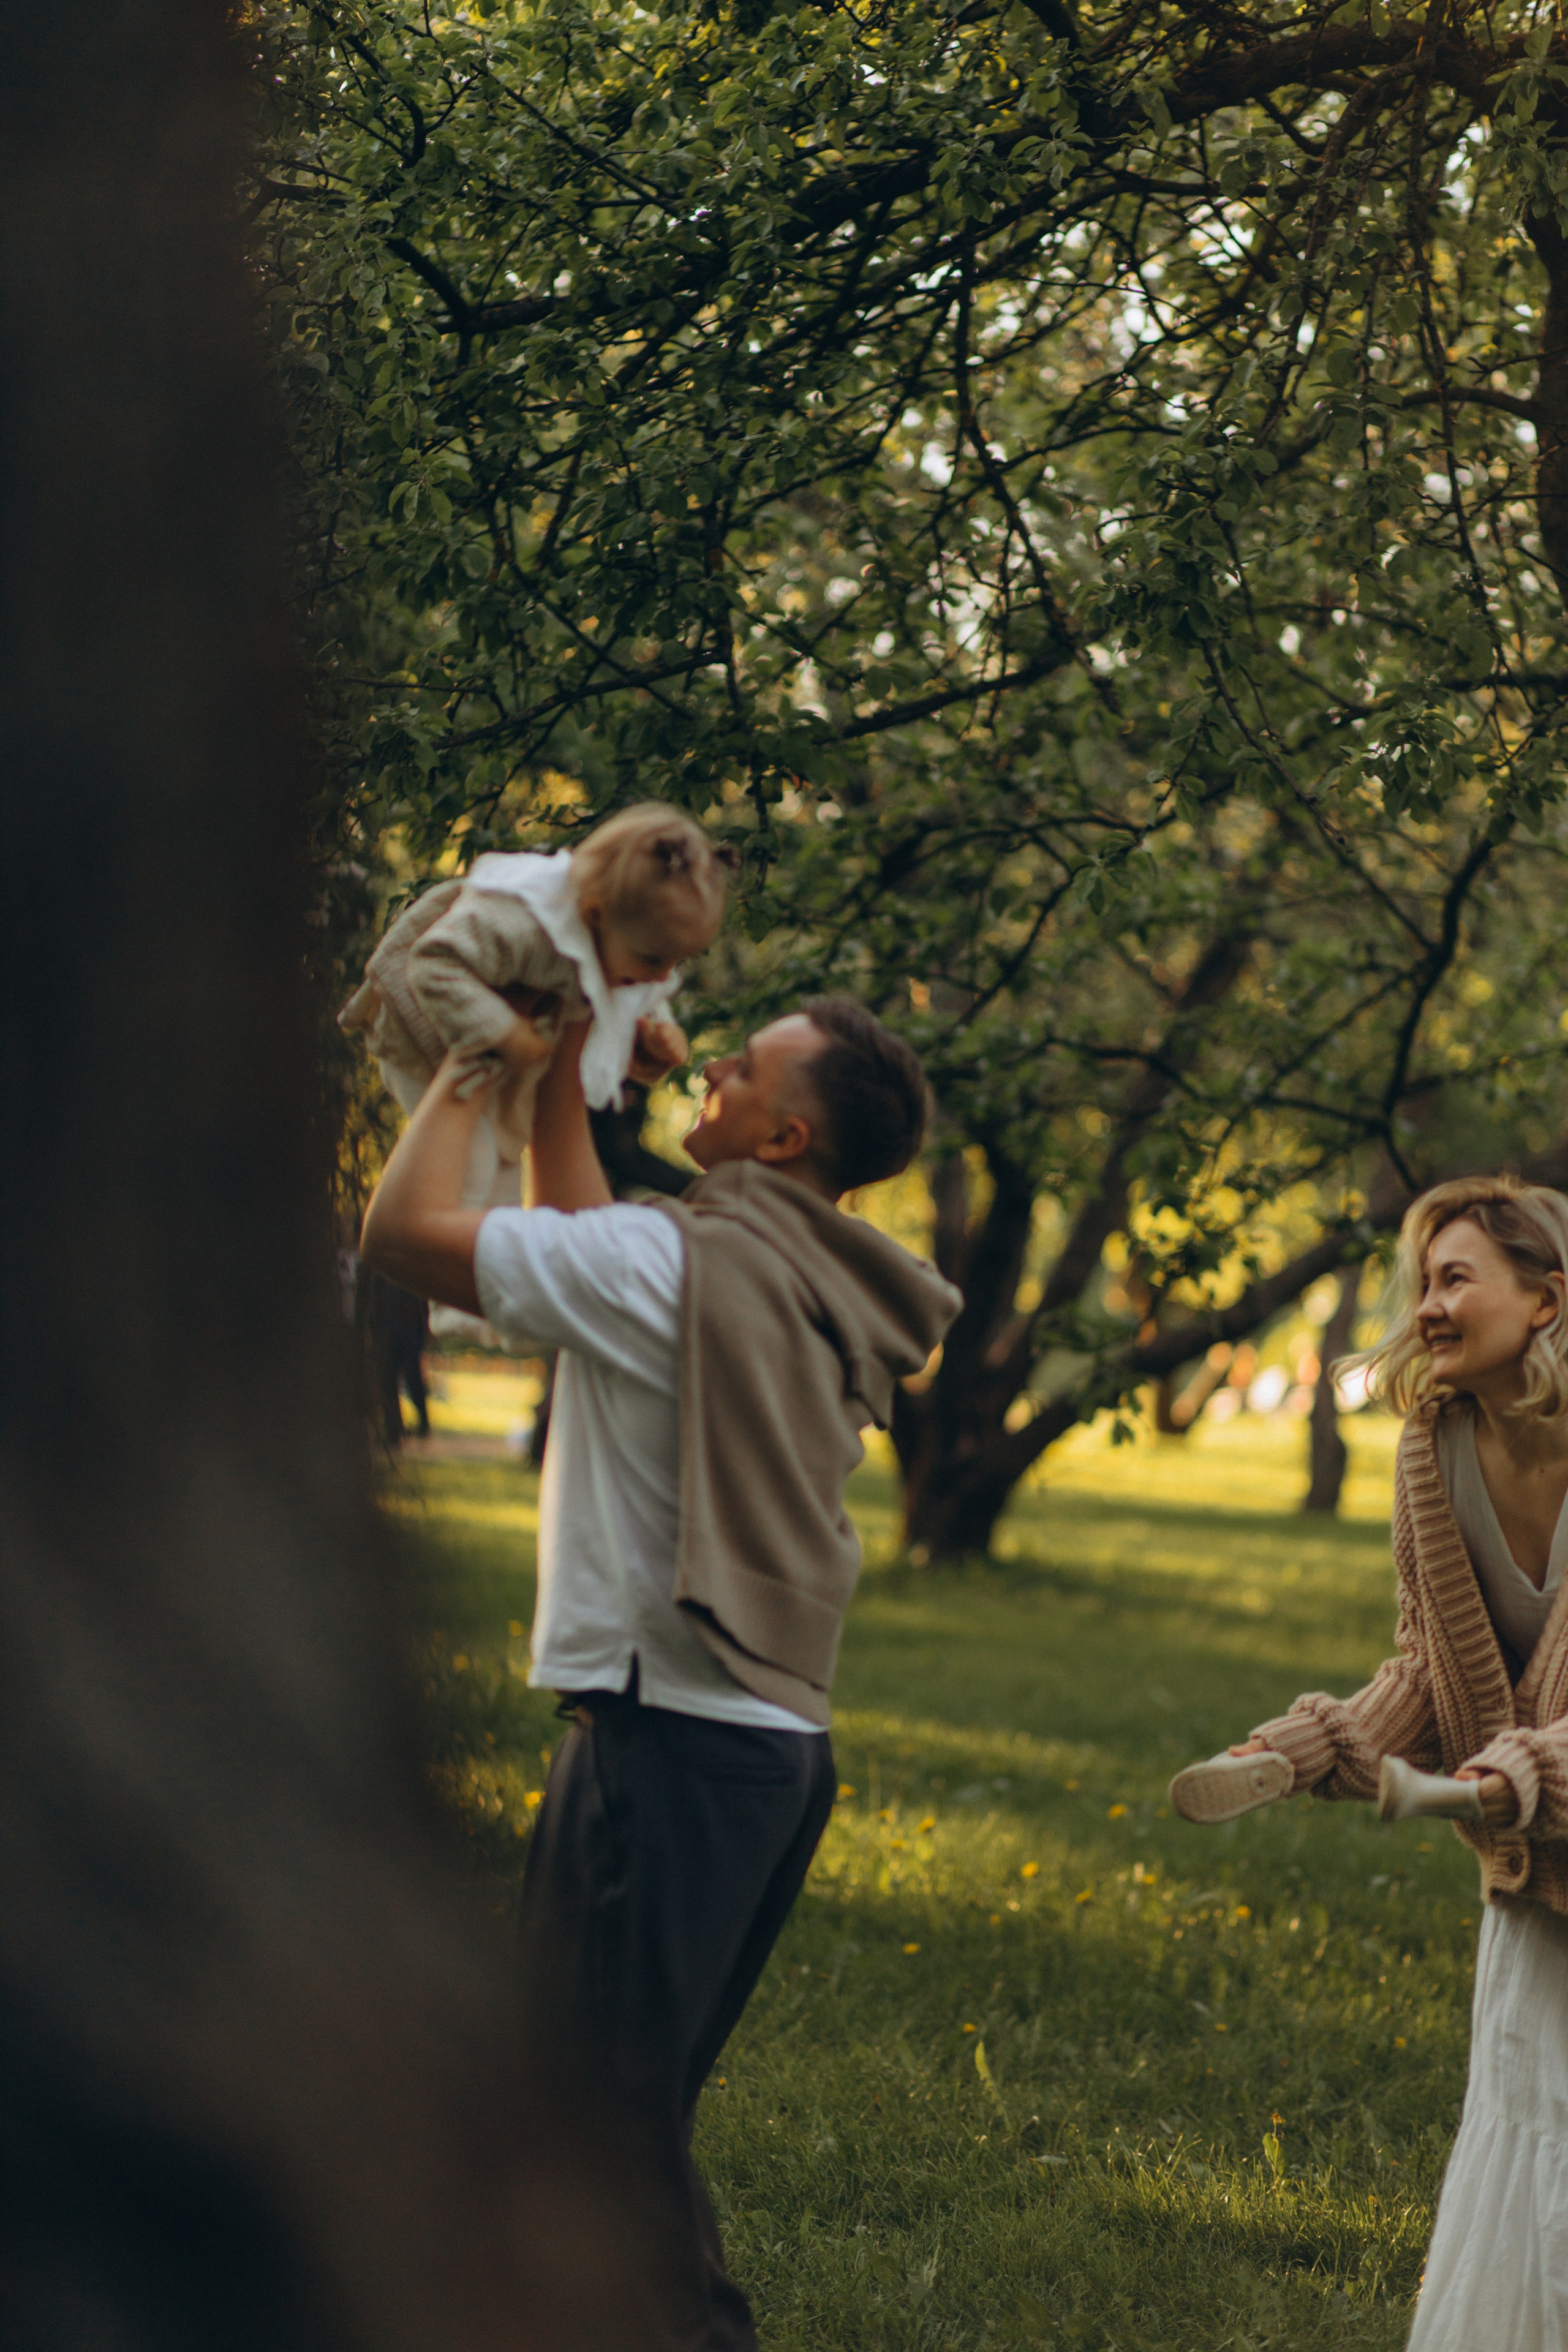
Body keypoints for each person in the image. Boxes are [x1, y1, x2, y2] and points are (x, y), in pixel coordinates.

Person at [361, 996, 961, 2350]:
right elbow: (583, 1235)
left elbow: (397, 1237)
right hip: (739, 1743)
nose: (717, 1064)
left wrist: (479, 1058)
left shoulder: (676, 1267)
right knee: (608, 2119)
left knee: (592, 2135)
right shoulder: (782, 1267)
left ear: (781, 1131)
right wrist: (570, 1076)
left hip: (671, 1739)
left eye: (742, 1068)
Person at [1177, 1176, 1568, 2352]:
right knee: (1531, 2125)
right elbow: (1425, 1660)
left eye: (1457, 1278)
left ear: (1546, 1300)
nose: (1430, 1307)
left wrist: (1521, 1773)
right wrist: (1312, 1747)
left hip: (1538, 1803)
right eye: (1424, 1282)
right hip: (1542, 1866)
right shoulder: (1432, 1445)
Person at [340, 804, 731, 1213]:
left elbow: (633, 1000)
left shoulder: (624, 941)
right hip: (423, 1036)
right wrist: (503, 1032)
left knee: (505, 1164)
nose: (662, 977)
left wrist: (654, 1034)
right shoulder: (521, 924)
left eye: (675, 962)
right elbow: (433, 964)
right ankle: (445, 1243)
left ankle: (494, 1246)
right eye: (654, 961)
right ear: (594, 913)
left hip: (503, 1060)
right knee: (472, 1163)